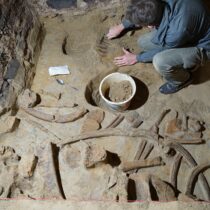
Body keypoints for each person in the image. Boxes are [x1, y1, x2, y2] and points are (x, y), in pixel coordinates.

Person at [107, 0, 210, 94]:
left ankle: (182, 80)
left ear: (150, 25)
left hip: (203, 46)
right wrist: (122, 26)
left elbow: (165, 48)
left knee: (160, 61)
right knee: (143, 42)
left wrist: (137, 58)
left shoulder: (176, 32)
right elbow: (140, 7)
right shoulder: (157, 5)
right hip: (191, 25)